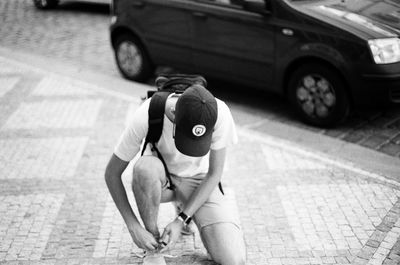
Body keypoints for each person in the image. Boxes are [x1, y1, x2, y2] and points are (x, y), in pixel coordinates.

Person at [104, 84, 246, 265]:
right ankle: (153, 246)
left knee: (233, 259)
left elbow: (214, 174)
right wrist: (133, 226)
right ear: (173, 112)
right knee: (144, 169)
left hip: (199, 181)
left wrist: (180, 220)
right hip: (162, 180)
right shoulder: (146, 114)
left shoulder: (220, 114)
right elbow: (111, 174)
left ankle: (184, 208)